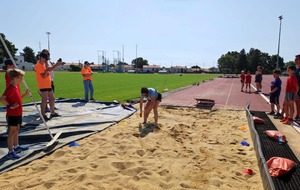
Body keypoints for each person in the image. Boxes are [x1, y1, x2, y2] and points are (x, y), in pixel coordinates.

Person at [0, 69, 29, 159]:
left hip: (18, 112)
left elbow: (18, 98)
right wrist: (10, 106)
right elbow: (2, 99)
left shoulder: (16, 87)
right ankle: (10, 151)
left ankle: (16, 146)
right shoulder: (10, 87)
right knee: (12, 131)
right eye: (21, 78)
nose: (22, 79)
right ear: (15, 78)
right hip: (12, 114)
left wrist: (25, 94)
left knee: (17, 129)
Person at [34, 49, 62, 120]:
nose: (46, 61)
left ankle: (52, 112)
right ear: (41, 58)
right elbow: (43, 75)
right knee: (44, 99)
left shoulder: (43, 64)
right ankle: (43, 115)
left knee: (52, 98)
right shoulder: (38, 65)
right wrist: (46, 68)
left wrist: (57, 64)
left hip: (48, 84)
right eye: (45, 59)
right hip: (43, 85)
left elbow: (50, 69)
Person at [294, 54, 300, 120]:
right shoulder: (296, 69)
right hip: (296, 89)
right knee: (297, 103)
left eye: (297, 59)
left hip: (298, 89)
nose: (295, 60)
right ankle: (298, 115)